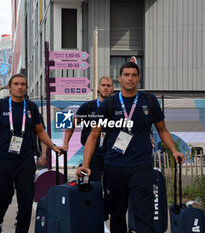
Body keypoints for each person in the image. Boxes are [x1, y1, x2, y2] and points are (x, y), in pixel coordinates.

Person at [76, 62, 184, 233]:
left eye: (134, 75)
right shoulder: (109, 104)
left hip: (141, 166)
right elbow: (93, 135)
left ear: (138, 79)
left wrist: (174, 150)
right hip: (114, 166)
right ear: (119, 78)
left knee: (144, 212)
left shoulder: (148, 101)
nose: (130, 78)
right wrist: (85, 165)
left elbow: (162, 130)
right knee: (117, 214)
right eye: (126, 75)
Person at [0, 73, 62, 233]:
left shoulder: (31, 107)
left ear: (26, 87)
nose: (20, 87)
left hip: (26, 160)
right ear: (9, 86)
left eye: (23, 84)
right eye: (16, 84)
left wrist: (53, 146)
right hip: (3, 159)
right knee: (2, 197)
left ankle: (21, 230)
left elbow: (40, 131)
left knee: (26, 200)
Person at [63, 76, 114, 182]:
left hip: (112, 153)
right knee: (95, 185)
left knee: (112, 187)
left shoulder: (117, 106)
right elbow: (71, 124)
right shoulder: (88, 106)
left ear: (113, 88)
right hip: (93, 153)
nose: (106, 88)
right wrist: (66, 143)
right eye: (103, 85)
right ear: (98, 87)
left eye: (108, 86)